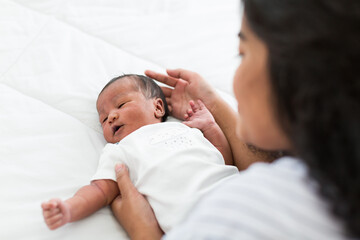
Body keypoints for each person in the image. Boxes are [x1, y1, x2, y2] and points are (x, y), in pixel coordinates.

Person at [110, 0, 360, 239]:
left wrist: (143, 230)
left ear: (297, 73)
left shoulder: (238, 214)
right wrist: (214, 106)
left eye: (243, 54)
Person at [41, 74, 240, 232]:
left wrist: (211, 127)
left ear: (158, 107)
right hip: (193, 223)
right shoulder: (120, 150)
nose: (111, 116)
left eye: (121, 105)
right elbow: (100, 190)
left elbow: (222, 160)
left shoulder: (186, 128)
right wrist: (69, 208)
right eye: (103, 119)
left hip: (236, 197)